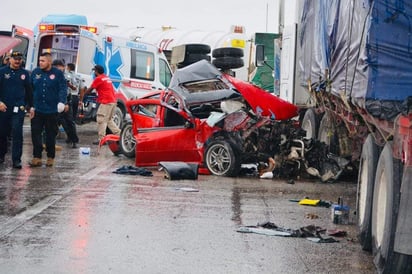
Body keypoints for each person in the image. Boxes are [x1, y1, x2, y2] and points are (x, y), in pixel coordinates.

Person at [29, 53, 67, 167]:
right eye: (39, 60)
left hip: (51, 110)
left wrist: (62, 101)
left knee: (50, 135)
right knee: (35, 134)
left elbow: (63, 88)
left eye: (43, 61)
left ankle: (50, 157)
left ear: (49, 62)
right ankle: (37, 157)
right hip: (37, 109)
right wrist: (30, 106)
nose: (40, 62)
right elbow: (30, 89)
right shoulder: (35, 72)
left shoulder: (58, 74)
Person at [0, 51, 32, 169]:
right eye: (15, 59)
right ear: (10, 59)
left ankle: (16, 160)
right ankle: (1, 155)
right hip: (3, 108)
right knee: (2, 133)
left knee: (17, 133)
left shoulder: (25, 74)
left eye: (19, 59)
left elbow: (29, 91)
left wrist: (31, 106)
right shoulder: (2, 72)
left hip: (18, 108)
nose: (17, 61)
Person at [80, 64, 120, 144]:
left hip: (106, 102)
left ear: (96, 71)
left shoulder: (98, 79)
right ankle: (119, 135)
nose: (94, 72)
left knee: (101, 119)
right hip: (113, 101)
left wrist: (83, 94)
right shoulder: (106, 77)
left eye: (94, 70)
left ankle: (101, 139)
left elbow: (90, 89)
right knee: (108, 120)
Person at [52, 59, 79, 148]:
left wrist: (66, 103)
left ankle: (74, 140)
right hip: (54, 102)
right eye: (56, 66)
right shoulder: (51, 75)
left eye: (60, 66)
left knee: (69, 122)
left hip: (66, 101)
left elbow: (69, 90)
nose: (58, 68)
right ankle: (51, 141)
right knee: (54, 122)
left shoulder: (66, 76)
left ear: (63, 67)